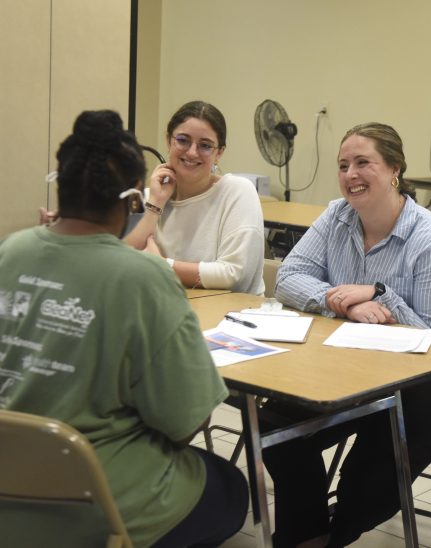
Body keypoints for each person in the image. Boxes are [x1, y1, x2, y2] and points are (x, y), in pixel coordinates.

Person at [0, 110, 248, 547]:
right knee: (228, 485)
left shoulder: (10, 252)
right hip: (94, 503)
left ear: (62, 183)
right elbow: (184, 421)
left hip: (8, 483)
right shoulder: (142, 280)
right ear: (132, 198)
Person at [261, 122, 431, 547]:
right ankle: (306, 535)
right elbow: (289, 277)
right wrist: (346, 302)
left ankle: (335, 534)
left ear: (395, 169)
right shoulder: (336, 215)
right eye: (343, 165)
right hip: (351, 357)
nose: (350, 174)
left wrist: (381, 295)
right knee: (273, 431)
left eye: (364, 163)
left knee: (370, 465)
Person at [125, 100, 265, 294]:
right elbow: (122, 260)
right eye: (183, 140)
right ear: (168, 141)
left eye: (205, 145)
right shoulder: (151, 197)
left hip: (231, 317)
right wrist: (155, 203)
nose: (192, 152)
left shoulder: (237, 192)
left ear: (219, 153)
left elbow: (234, 275)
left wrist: (162, 266)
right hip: (166, 308)